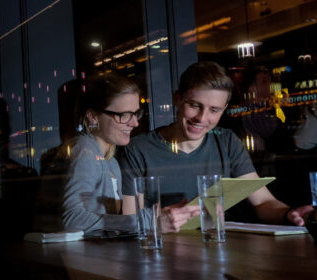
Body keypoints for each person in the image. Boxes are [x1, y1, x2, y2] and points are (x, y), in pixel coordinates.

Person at [118, 61, 314, 226]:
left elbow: (262, 202)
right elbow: (128, 221)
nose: (202, 118)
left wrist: (288, 214)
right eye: (194, 105)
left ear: (224, 109)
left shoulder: (226, 141)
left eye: (214, 110)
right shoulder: (137, 149)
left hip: (217, 248)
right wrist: (157, 222)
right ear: (177, 99)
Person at [35, 74, 198, 235]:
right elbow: (72, 219)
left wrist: (156, 215)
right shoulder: (85, 150)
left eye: (135, 114)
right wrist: (148, 221)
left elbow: (112, 225)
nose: (135, 123)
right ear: (92, 116)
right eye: (124, 115)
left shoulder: (110, 160)